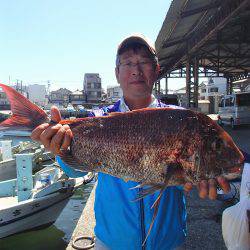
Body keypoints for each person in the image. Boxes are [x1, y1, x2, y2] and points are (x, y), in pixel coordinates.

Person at [31, 34, 231, 250]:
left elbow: (192, 171)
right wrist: (59, 146)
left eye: (144, 61)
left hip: (169, 243)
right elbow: (76, 172)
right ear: (117, 73)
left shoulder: (182, 119)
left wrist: (205, 174)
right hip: (112, 243)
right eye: (127, 63)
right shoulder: (100, 118)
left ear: (156, 69)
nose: (136, 69)